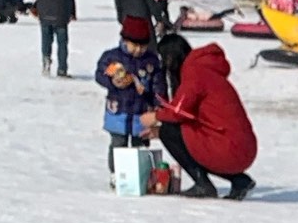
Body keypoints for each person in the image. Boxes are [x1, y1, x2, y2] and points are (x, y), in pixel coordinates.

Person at [149, 34, 257, 198]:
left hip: (228, 148)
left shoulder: (194, 74)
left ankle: (202, 184)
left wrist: (156, 116)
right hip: (242, 147)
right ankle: (238, 180)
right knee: (175, 132)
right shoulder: (205, 70)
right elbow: (190, 116)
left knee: (168, 131)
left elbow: (177, 113)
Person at [94, 11, 165, 175]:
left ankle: (141, 173)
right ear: (125, 41)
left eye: (143, 46)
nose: (139, 50)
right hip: (118, 111)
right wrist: (112, 82)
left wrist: (158, 104)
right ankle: (116, 174)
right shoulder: (112, 58)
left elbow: (158, 84)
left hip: (142, 112)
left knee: (140, 144)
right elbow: (100, 75)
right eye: (135, 45)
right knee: (118, 144)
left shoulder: (151, 61)